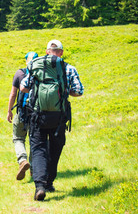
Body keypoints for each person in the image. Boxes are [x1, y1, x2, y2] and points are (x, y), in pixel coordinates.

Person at [20, 40, 84, 201]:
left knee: (38, 149)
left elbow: (23, 86)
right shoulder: (68, 68)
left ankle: (40, 186)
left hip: (37, 115)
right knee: (55, 149)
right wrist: (61, 92)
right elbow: (78, 91)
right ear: (61, 52)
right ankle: (49, 182)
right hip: (58, 117)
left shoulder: (36, 65)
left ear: (47, 51)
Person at [7, 51, 38, 180]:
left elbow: (13, 94)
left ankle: (22, 160)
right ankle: (33, 169)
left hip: (22, 112)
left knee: (18, 138)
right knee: (34, 141)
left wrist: (9, 110)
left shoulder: (20, 73)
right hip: (37, 112)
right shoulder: (41, 74)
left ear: (26, 61)